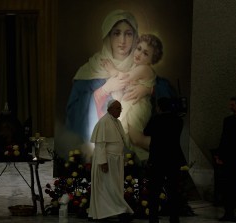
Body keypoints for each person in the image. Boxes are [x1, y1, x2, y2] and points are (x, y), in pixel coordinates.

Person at [65, 9, 151, 144]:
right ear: (108, 36)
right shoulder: (91, 68)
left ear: (135, 37)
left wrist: (148, 90)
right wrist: (104, 90)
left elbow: (164, 93)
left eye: (128, 34)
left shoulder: (141, 66)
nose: (122, 40)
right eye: (116, 33)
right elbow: (74, 111)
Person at [101, 33, 163, 163]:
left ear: (152, 60)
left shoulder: (144, 69)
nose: (139, 54)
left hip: (138, 106)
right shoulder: (138, 66)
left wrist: (112, 70)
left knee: (137, 138)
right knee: (131, 138)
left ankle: (165, 150)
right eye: (139, 48)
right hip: (132, 105)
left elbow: (125, 78)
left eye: (145, 53)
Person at [88, 100, 134, 222]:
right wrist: (103, 161)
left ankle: (116, 211)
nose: (120, 111)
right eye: (118, 108)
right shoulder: (104, 122)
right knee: (108, 187)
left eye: (120, 108)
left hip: (116, 160)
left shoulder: (117, 122)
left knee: (114, 187)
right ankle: (117, 211)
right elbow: (100, 145)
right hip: (107, 161)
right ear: (110, 109)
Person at [143, 97, 185, 223]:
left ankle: (153, 218)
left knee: (154, 190)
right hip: (173, 159)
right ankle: (174, 217)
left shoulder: (156, 119)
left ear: (159, 107)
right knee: (173, 190)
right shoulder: (178, 120)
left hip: (158, 159)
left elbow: (146, 132)